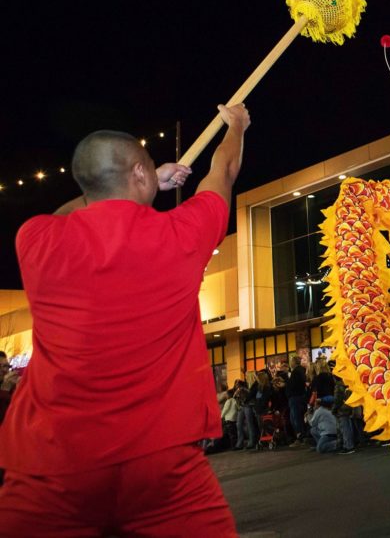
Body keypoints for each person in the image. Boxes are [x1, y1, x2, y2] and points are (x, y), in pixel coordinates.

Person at [0, 104, 249, 535]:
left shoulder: (35, 239)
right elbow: (222, 172)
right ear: (138, 173)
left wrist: (136, 180)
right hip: (162, 465)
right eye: (149, 168)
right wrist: (237, 127)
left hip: (53, 465)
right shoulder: (180, 234)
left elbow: (70, 209)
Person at [285, 356, 308, 443]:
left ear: (294, 362)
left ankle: (300, 436)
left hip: (295, 397)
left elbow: (293, 384)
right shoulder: (301, 370)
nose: (290, 363)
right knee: (295, 417)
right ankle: (301, 435)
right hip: (298, 396)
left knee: (295, 418)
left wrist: (287, 386)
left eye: (291, 361)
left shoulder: (296, 371)